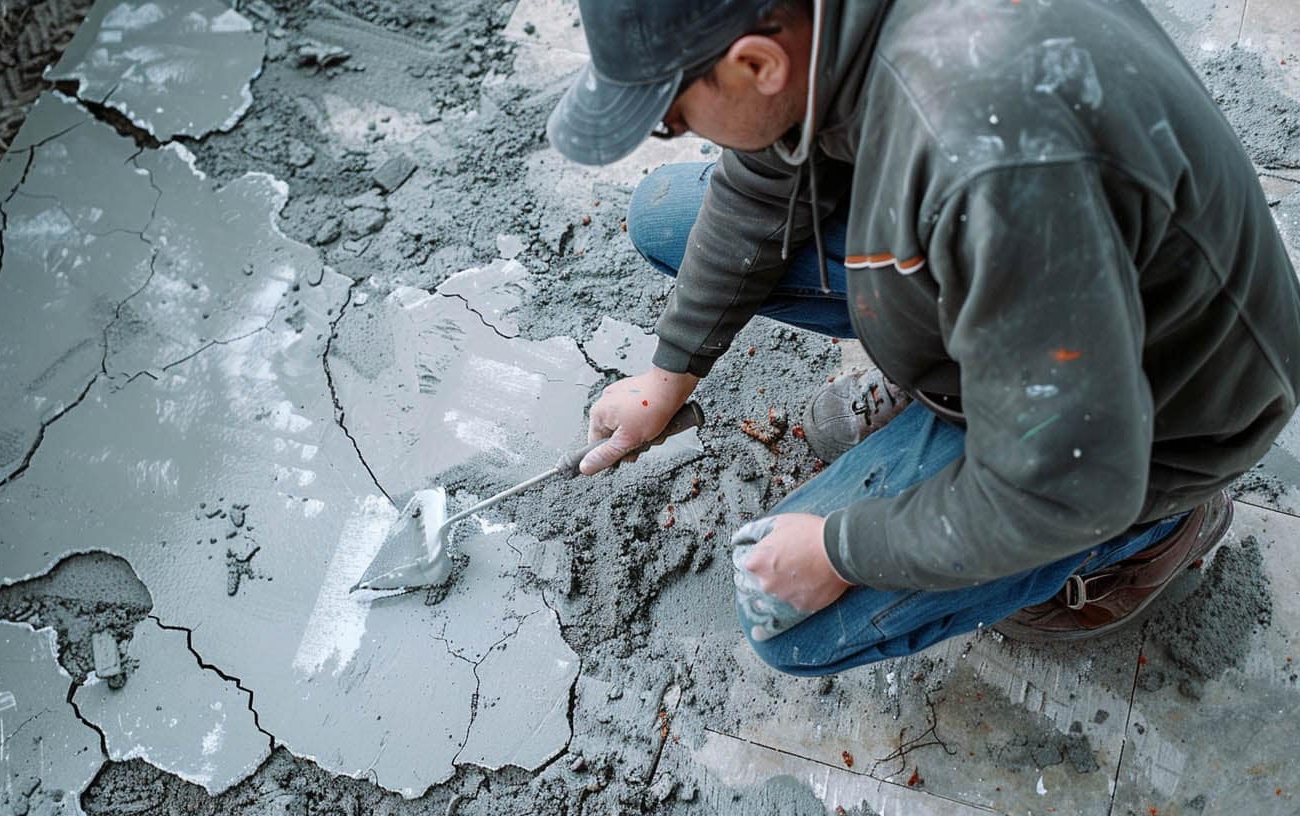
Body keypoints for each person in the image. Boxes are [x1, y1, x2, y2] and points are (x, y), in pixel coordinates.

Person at [547, 0, 1300, 675]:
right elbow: (762, 179)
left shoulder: (985, 164)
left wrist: (840, 550)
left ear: (757, 62)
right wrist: (669, 374)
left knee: (786, 624)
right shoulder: (825, 32)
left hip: (1167, 412)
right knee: (663, 217)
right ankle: (957, 372)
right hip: (1048, 286)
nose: (675, 132)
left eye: (670, 118)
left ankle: (1156, 534)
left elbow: (1071, 483)